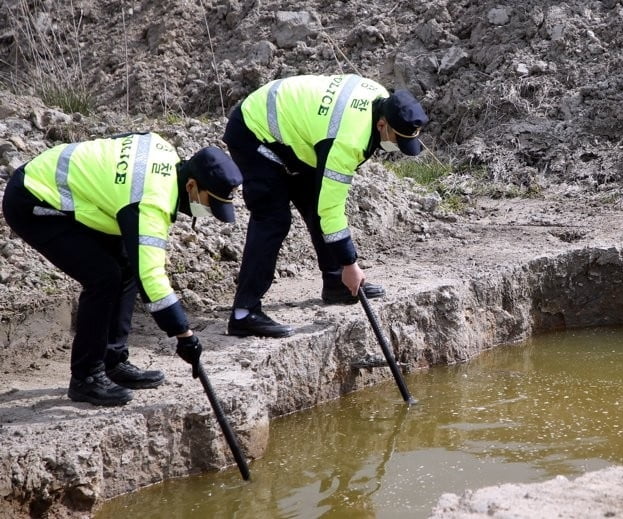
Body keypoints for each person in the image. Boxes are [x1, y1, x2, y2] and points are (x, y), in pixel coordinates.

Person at [1, 133, 243, 406]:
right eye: (211, 203)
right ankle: (86, 377)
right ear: (191, 186)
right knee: (103, 277)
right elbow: (151, 277)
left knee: (126, 264)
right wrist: (183, 334)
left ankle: (112, 360)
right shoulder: (151, 202)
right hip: (35, 200)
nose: (209, 211)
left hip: (73, 192)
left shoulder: (164, 153)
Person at [222, 74, 428, 338]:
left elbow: (323, 203)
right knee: (272, 218)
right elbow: (331, 210)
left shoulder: (381, 98)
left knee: (312, 199)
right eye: (398, 140)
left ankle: (336, 283)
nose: (398, 147)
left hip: (296, 135)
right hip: (254, 131)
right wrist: (350, 263)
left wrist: (344, 269)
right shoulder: (348, 140)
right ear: (381, 125)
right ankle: (244, 312)